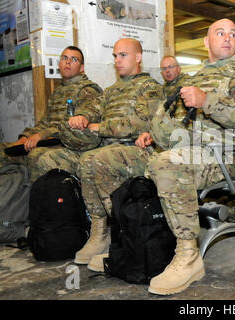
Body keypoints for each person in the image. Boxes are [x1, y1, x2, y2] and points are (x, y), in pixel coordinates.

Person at [81, 18, 235, 294]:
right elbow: (177, 129)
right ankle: (126, 239)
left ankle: (188, 255)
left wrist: (207, 101)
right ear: (207, 42)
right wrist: (154, 133)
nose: (228, 37)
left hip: (227, 156)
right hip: (186, 151)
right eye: (220, 33)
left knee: (166, 164)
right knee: (98, 161)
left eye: (233, 33)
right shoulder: (195, 78)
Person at [36, 38, 163, 267]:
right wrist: (83, 117)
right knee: (51, 158)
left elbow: (139, 123)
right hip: (105, 146)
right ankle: (80, 225)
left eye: (123, 55)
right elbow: (93, 109)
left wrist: (100, 127)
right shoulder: (111, 91)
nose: (117, 60)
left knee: (91, 160)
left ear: (138, 57)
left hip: (136, 148)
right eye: (115, 56)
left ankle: (110, 230)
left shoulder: (150, 88)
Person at [0, 46, 102, 182]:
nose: (68, 62)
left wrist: (41, 135)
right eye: (64, 58)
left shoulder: (87, 90)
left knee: (35, 155)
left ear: (82, 68)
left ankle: (36, 198)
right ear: (59, 63)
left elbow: (75, 127)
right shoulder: (58, 91)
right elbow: (45, 121)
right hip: (48, 140)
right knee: (3, 149)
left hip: (67, 143)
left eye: (74, 59)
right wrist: (26, 136)